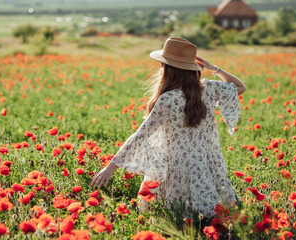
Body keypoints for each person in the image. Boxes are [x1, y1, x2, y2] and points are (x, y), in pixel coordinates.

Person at [90, 37, 246, 220]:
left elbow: (141, 135)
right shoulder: (209, 89)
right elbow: (240, 87)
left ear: (168, 69)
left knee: (177, 214)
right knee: (207, 209)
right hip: (204, 163)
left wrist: (111, 167)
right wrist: (214, 69)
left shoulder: (168, 99)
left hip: (175, 168)